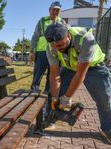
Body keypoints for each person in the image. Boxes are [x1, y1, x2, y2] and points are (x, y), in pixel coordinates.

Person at [44, 22, 111, 145]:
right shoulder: (51, 47)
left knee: (104, 98)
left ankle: (108, 128)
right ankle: (51, 117)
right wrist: (55, 97)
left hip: (93, 67)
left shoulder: (86, 39)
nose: (59, 48)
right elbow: (54, 74)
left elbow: (80, 74)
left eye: (61, 44)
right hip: (69, 66)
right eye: (56, 46)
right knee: (54, 94)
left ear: (68, 35)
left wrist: (67, 97)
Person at [30, 1, 66, 134]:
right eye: (54, 9)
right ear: (49, 10)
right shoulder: (42, 21)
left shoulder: (62, 22)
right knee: (37, 76)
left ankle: (46, 97)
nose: (55, 12)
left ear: (60, 12)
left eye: (58, 10)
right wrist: (32, 51)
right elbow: (35, 36)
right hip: (41, 52)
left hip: (55, 54)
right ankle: (32, 96)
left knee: (51, 78)